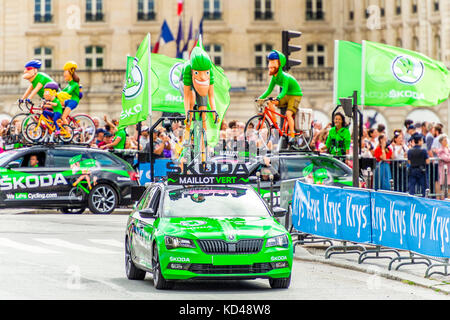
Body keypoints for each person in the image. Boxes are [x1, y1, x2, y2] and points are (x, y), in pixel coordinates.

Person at [180, 35, 218, 143]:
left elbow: (211, 95)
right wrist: (187, 113)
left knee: (204, 112)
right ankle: (187, 134)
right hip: (186, 83)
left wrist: (214, 111)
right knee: (191, 101)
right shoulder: (188, 68)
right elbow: (186, 97)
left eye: (206, 73)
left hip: (201, 86)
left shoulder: (209, 70)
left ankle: (203, 145)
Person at [258, 50, 303, 141]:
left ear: (279, 65)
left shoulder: (285, 77)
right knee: (269, 102)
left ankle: (293, 136)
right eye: (270, 62)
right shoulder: (274, 78)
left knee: (288, 114)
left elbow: (284, 90)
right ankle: (275, 123)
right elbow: (269, 90)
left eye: (273, 63)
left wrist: (278, 98)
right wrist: (260, 98)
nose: (270, 66)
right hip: (287, 95)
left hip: (295, 95)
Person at [407, 133, 430, 197]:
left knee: (411, 188)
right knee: (424, 187)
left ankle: (411, 201)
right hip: (421, 170)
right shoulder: (423, 151)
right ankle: (424, 200)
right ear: (419, 141)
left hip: (412, 170)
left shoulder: (410, 151)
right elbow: (427, 161)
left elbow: (409, 162)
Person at [435, 135, 450, 199]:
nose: (446, 141)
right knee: (442, 185)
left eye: (446, 140)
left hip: (448, 170)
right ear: (441, 142)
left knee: (449, 185)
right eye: (444, 140)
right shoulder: (440, 150)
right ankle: (442, 199)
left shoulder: (447, 149)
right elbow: (445, 158)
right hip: (443, 170)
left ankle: (449, 199)